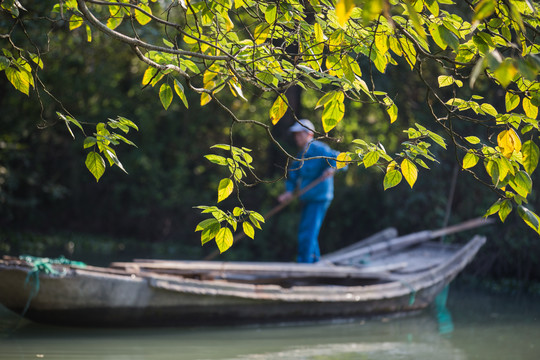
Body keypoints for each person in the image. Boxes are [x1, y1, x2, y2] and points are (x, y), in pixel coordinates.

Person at [277, 119, 345, 263]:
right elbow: (293, 176)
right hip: (307, 197)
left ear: (309, 134)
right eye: (295, 135)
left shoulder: (320, 149)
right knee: (307, 231)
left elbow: (341, 159)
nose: (296, 138)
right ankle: (314, 262)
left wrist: (331, 168)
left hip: (319, 197)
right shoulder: (300, 155)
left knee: (307, 233)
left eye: (299, 134)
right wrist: (289, 192)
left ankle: (304, 264)